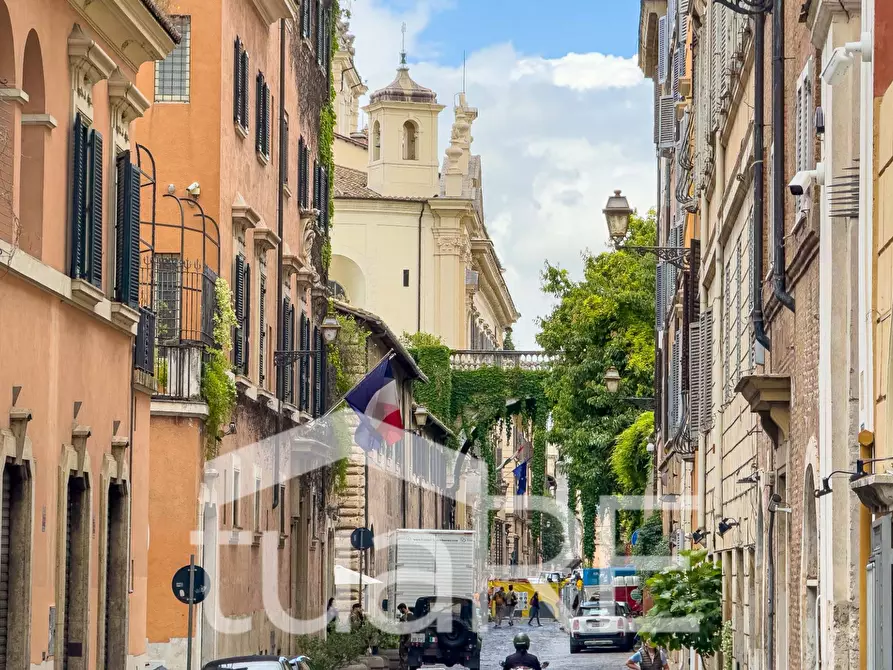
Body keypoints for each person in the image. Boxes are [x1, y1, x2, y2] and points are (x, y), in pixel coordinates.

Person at [397, 603, 410, 670]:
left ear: (403, 608)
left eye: (400, 610)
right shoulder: (412, 615)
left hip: (405, 639)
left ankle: (403, 668)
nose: (400, 611)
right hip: (409, 639)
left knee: (403, 655)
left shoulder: (404, 618)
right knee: (405, 656)